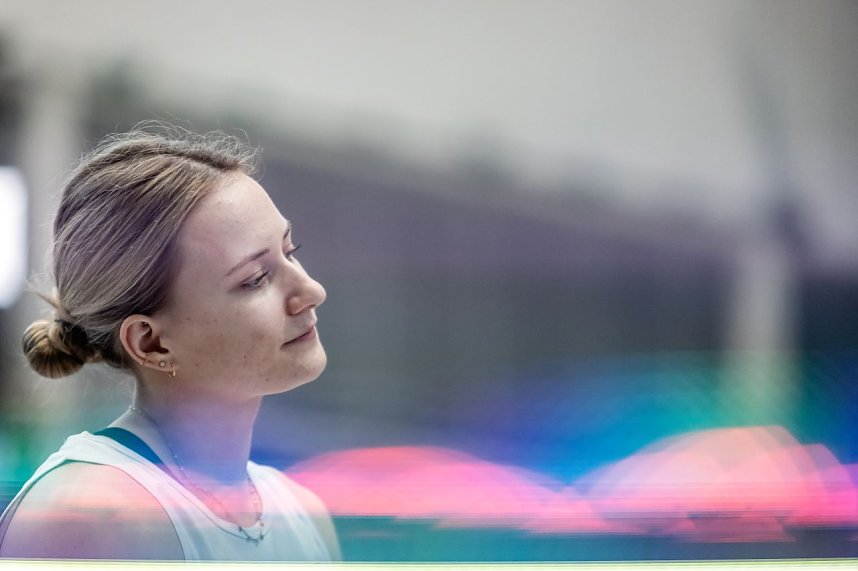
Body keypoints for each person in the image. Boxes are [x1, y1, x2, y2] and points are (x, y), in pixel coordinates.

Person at [0, 125, 340, 561]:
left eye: (290, 252)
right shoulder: (88, 517)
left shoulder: (304, 516)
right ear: (151, 342)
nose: (312, 291)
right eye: (255, 279)